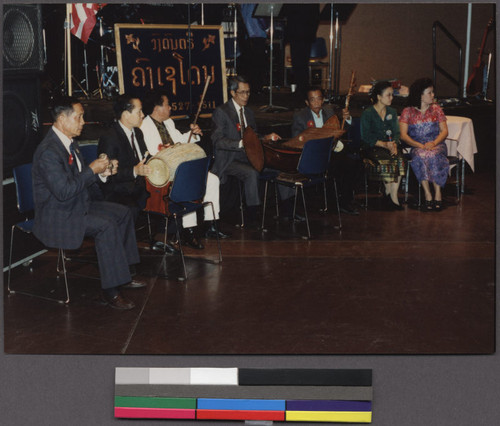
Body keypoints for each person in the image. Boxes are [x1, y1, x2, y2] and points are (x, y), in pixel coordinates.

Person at [32, 96, 144, 310]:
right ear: (62, 119)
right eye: (79, 117)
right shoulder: (48, 152)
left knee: (123, 212)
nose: (83, 122)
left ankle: (125, 274)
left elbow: (83, 181)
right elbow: (64, 191)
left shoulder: (70, 143)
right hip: (58, 215)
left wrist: (103, 174)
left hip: (76, 205)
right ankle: (110, 292)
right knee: (107, 225)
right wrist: (92, 170)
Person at [140, 90, 230, 248]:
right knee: (189, 184)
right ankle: (189, 231)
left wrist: (193, 134)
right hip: (162, 172)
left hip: (180, 167)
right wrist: (167, 150)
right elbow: (152, 154)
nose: (170, 108)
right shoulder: (144, 126)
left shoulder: (168, 122)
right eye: (167, 104)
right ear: (157, 108)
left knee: (212, 180)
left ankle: (211, 224)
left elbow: (180, 140)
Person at [211, 76, 295, 226]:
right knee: (251, 173)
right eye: (242, 92)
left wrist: (266, 137)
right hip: (230, 158)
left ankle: (288, 209)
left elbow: (253, 136)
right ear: (232, 93)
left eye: (248, 92)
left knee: (280, 165)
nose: (246, 96)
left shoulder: (248, 112)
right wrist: (240, 144)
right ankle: (253, 215)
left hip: (249, 156)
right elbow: (217, 141)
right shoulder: (221, 112)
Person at [291, 86, 360, 215]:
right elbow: (296, 140)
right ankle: (326, 202)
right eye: (312, 100)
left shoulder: (329, 112)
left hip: (329, 152)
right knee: (332, 167)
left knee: (350, 163)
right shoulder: (300, 117)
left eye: (319, 99)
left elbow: (344, 128)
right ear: (307, 102)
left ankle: (344, 202)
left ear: (323, 100)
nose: (316, 103)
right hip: (311, 156)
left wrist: (348, 118)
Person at [97, 94, 150, 222]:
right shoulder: (110, 137)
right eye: (139, 112)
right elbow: (108, 174)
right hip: (119, 191)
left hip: (139, 186)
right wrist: (134, 171)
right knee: (130, 209)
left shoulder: (137, 133)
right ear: (126, 115)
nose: (143, 115)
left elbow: (144, 158)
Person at [399, 78, 449, 212]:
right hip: (417, 146)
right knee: (421, 155)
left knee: (433, 154)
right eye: (430, 93)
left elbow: (444, 131)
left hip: (436, 144)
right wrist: (419, 145)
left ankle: (438, 193)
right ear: (420, 95)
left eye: (433, 92)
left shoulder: (436, 109)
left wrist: (433, 143)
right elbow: (403, 135)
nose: (433, 95)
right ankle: (427, 193)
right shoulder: (407, 111)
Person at [360, 80, 405, 210]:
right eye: (388, 95)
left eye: (392, 95)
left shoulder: (391, 111)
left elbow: (396, 132)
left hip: (390, 145)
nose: (391, 98)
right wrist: (384, 144)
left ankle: (392, 195)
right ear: (379, 97)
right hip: (372, 147)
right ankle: (390, 196)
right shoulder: (367, 113)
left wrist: (394, 144)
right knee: (387, 160)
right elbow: (366, 136)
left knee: (400, 160)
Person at [283, 4, 320, 101]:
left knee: (300, 63)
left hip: (300, 34)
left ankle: (303, 90)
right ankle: (301, 89)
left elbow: (288, 11)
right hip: (301, 34)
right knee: (298, 64)